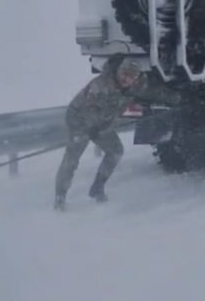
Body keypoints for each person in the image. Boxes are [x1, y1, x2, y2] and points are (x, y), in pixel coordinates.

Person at [53, 58, 177, 210]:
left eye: (131, 76)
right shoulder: (100, 86)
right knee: (72, 159)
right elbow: (90, 110)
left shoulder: (135, 85)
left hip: (102, 123)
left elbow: (153, 93)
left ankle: (97, 187)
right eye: (124, 74)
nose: (127, 79)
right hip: (79, 121)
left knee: (116, 151)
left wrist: (175, 99)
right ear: (118, 72)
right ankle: (60, 196)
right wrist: (90, 129)